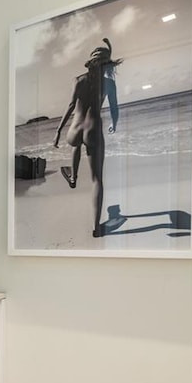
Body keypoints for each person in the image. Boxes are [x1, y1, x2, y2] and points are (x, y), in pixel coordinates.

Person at [54, 38, 123, 238]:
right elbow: (115, 108)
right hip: (93, 131)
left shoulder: (79, 80)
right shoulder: (109, 83)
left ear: (90, 63)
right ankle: (96, 228)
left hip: (73, 132)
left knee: (75, 145)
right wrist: (114, 123)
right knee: (97, 180)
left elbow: (70, 106)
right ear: (108, 65)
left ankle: (74, 175)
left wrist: (58, 131)